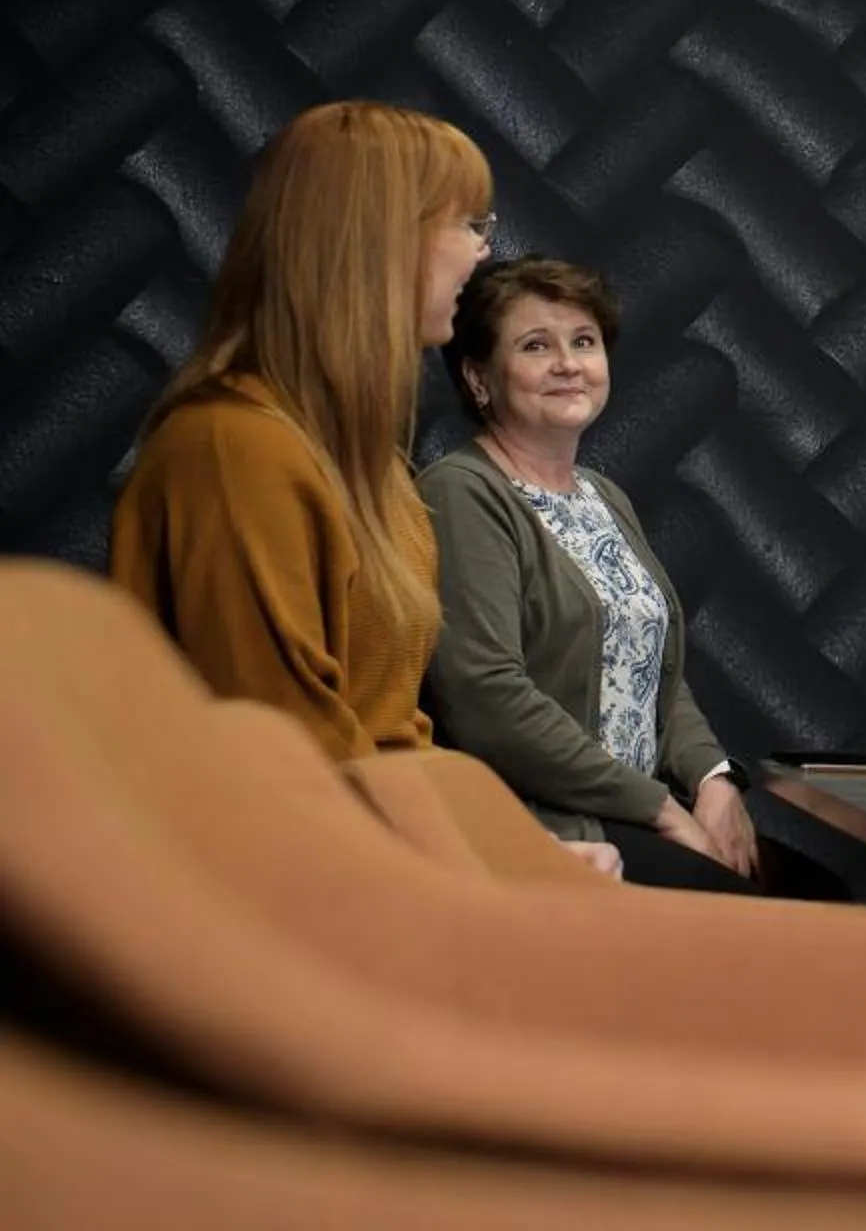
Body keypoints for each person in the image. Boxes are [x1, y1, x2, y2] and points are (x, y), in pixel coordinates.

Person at [109, 101, 495, 765]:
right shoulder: (233, 449)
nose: (484, 247)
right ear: (376, 239)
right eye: (465, 222)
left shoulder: (377, 470)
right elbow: (291, 754)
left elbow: (394, 734)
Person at [420, 258, 762, 892]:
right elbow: (486, 697)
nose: (568, 364)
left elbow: (650, 664)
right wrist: (661, 809)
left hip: (628, 815)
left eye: (583, 342)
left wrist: (714, 779)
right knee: (771, 916)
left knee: (817, 893)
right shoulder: (463, 494)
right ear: (478, 377)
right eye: (535, 346)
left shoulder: (602, 496)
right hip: (552, 828)